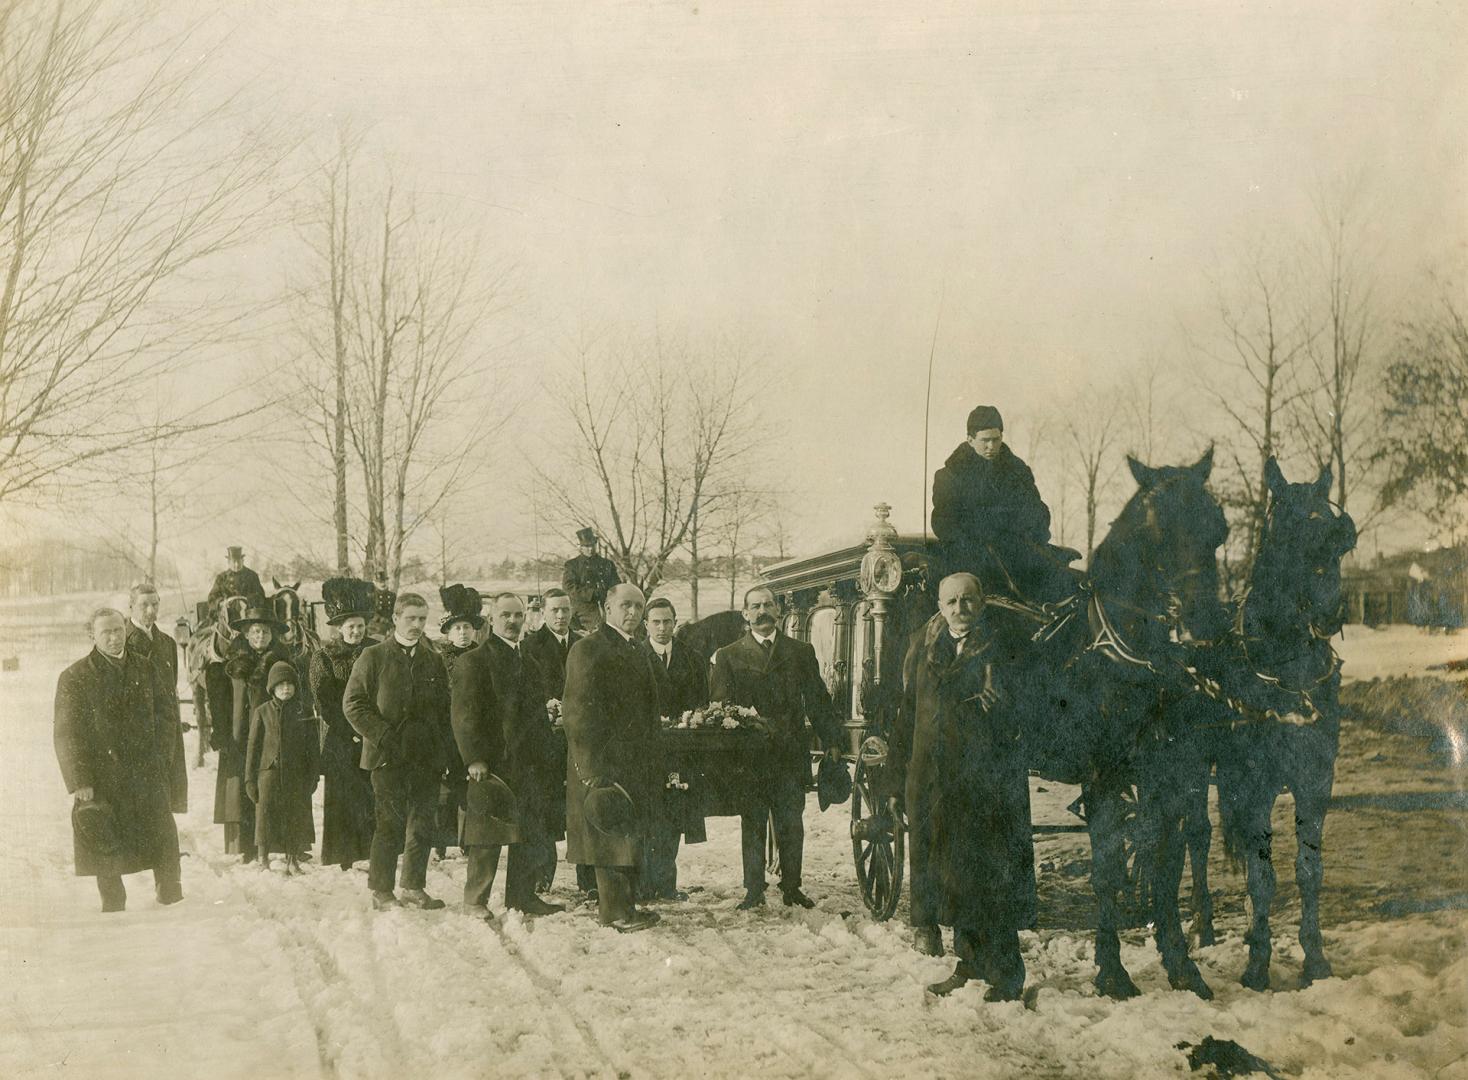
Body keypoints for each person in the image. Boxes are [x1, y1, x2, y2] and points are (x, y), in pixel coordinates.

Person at [890, 572, 1036, 1001]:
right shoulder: (925, 648)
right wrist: (898, 781)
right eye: (951, 601)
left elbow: (1032, 709)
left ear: (983, 601)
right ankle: (969, 964)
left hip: (987, 784)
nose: (960, 608)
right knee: (953, 877)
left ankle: (1008, 975)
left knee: (993, 876)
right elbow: (907, 715)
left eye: (968, 599)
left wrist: (1005, 703)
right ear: (940, 605)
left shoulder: (1006, 649)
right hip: (936, 781)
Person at [709, 585, 843, 910]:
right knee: (752, 821)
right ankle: (753, 889)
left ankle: (792, 886)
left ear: (779, 611)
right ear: (745, 614)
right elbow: (719, 706)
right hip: (749, 755)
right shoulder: (728, 655)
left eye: (768, 605)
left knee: (791, 821)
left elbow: (818, 701)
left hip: (789, 752)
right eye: (755, 606)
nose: (762, 611)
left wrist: (833, 742)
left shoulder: (800, 652)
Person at [54, 609, 182, 912]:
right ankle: (114, 906)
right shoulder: (75, 677)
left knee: (162, 833)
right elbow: (66, 734)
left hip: (147, 771)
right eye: (105, 633)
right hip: (102, 777)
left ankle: (171, 895)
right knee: (105, 837)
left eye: (117, 630)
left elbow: (167, 716)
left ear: (125, 629)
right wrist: (80, 781)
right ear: (92, 636)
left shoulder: (148, 668)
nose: (114, 638)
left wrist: (161, 757)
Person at [450, 592, 566, 921]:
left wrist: (546, 755)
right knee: (486, 835)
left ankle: (522, 896)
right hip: (491, 764)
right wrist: (473, 758)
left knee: (529, 831)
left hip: (529, 762)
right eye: (505, 616)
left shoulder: (529, 661)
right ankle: (474, 901)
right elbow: (464, 715)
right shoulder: (474, 661)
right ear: (491, 619)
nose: (513, 621)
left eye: (518, 615)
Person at [343, 592, 454, 911]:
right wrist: (385, 736)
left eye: (422, 619)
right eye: (411, 618)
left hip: (425, 757)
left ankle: (413, 887)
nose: (417, 625)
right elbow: (353, 704)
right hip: (387, 756)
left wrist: (442, 752)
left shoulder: (433, 659)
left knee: (422, 824)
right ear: (395, 619)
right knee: (388, 824)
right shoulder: (373, 656)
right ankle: (382, 891)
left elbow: (443, 709)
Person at [562, 583, 661, 932]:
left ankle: (627, 907)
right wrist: (590, 768)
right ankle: (615, 913)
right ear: (606, 607)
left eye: (638, 606)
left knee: (628, 836)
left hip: (635, 763)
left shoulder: (637, 649)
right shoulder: (588, 649)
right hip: (603, 764)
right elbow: (576, 712)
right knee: (608, 838)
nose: (632, 612)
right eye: (625, 605)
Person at [930, 404, 1076, 604]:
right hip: (972, 553)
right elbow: (943, 524)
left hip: (1017, 548)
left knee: (1063, 581)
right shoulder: (949, 476)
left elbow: (1038, 512)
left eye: (995, 439)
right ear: (970, 440)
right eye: (985, 441)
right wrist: (982, 536)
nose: (991, 446)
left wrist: (1025, 532)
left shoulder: (1017, 472)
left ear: (1001, 437)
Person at [637, 597, 708, 901]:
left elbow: (701, 699)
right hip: (645, 749)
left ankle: (666, 883)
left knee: (674, 818)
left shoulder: (691, 658)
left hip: (680, 749)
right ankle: (641, 885)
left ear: (675, 622)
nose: (662, 628)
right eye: (656, 622)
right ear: (646, 625)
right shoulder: (634, 656)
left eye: (667, 622)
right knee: (645, 818)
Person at [309, 577, 379, 872]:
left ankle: (372, 850)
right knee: (343, 794)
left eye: (360, 626)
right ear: (339, 628)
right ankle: (344, 854)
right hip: (341, 735)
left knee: (371, 792)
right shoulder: (324, 657)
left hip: (373, 733)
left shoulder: (376, 651)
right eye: (350, 626)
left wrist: (372, 729)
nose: (356, 631)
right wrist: (351, 731)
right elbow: (323, 701)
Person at [523, 587, 586, 893]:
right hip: (546, 741)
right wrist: (544, 706)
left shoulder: (584, 643)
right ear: (542, 613)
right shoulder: (530, 646)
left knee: (583, 807)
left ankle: (588, 880)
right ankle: (541, 876)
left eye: (565, 610)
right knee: (545, 808)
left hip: (580, 739)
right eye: (554, 611)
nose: (560, 616)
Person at [218, 604, 293, 861]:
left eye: (265, 632)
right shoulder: (234, 664)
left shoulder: (281, 662)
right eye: (255, 632)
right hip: (240, 732)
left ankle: (275, 843)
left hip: (269, 733)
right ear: (247, 635)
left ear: (273, 635)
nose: (260, 637)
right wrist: (224, 733)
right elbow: (224, 702)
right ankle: (244, 846)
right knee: (241, 783)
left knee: (269, 784)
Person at [245, 661, 319, 874]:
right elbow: (253, 747)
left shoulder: (303, 711)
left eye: (290, 684)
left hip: (296, 774)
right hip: (268, 772)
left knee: (294, 815)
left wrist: (313, 776)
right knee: (265, 814)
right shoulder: (262, 711)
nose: (286, 689)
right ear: (272, 688)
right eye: (280, 685)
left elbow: (313, 747)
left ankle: (292, 858)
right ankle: (262, 857)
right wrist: (250, 779)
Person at [125, 583, 186, 814]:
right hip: (137, 732)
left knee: (165, 798)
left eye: (155, 604)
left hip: (165, 732)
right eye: (144, 605)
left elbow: (170, 689)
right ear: (131, 606)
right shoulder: (122, 642)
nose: (150, 611)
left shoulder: (167, 644)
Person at [434, 584, 485, 860]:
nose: (463, 633)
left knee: (472, 787)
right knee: (447, 787)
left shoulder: (483, 655)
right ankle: (441, 841)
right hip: (447, 729)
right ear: (448, 632)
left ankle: (468, 839)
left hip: (476, 728)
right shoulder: (439, 660)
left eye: (467, 627)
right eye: (457, 628)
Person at [562, 527, 620, 633]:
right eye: (587, 546)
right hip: (583, 609)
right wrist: (591, 593)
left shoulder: (607, 564)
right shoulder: (572, 565)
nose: (590, 549)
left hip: (607, 606)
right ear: (580, 547)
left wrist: (609, 594)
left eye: (592, 545)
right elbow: (568, 587)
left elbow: (616, 585)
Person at [206, 546, 267, 617]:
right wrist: (222, 603)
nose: (236, 564)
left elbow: (260, 596)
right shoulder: (221, 578)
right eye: (234, 562)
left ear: (243, 561)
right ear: (228, 562)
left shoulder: (252, 576)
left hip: (249, 614)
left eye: (239, 561)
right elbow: (212, 598)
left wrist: (248, 601)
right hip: (226, 615)